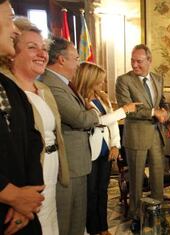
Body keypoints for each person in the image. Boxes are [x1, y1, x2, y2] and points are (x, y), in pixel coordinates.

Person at [2, 17, 70, 235]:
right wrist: (16, 197)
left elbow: (36, 139)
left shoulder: (44, 89)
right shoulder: (7, 88)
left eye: (44, 49)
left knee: (49, 220)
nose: (42, 54)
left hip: (44, 173)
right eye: (32, 48)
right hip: (18, 183)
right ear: (13, 51)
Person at [38, 37, 100, 235]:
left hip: (78, 162)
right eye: (75, 58)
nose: (78, 64)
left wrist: (89, 113)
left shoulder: (64, 84)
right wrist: (94, 113)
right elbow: (81, 118)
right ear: (62, 60)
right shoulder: (52, 84)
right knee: (66, 220)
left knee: (77, 219)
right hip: (68, 164)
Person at [73, 62, 136, 235]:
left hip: (106, 151)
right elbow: (98, 121)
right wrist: (124, 110)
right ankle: (93, 229)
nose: (102, 83)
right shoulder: (78, 98)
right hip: (89, 152)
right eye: (99, 80)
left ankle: (103, 228)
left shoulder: (102, 97)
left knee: (103, 192)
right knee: (91, 194)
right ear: (89, 79)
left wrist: (116, 145)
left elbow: (112, 123)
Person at [0, 1, 44, 234]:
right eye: (10, 18)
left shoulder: (9, 87)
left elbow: (33, 139)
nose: (15, 30)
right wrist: (11, 195)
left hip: (22, 214)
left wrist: (27, 197)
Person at [115, 44, 169, 233]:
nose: (135, 65)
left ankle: (156, 212)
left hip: (156, 134)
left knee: (157, 176)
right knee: (136, 179)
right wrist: (155, 112)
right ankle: (136, 215)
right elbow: (128, 109)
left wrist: (166, 112)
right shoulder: (123, 80)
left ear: (149, 61)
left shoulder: (158, 79)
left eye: (139, 61)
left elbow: (162, 102)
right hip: (136, 136)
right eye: (133, 60)